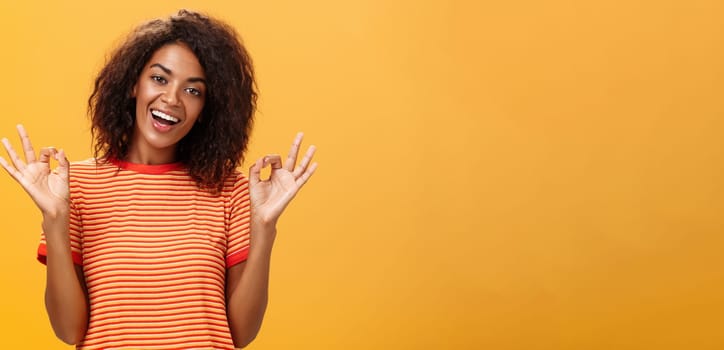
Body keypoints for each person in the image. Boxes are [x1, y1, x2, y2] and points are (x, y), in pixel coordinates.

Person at [0, 9, 317, 350]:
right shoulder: (72, 186)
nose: (172, 99)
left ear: (207, 109)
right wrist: (54, 220)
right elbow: (69, 331)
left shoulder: (231, 188)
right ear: (133, 83)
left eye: (193, 91)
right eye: (160, 79)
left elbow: (241, 333)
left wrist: (265, 226)